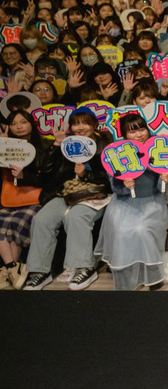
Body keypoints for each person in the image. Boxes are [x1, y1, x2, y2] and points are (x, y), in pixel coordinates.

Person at [22, 110, 110, 291]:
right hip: (66, 194)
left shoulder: (104, 144)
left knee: (76, 217)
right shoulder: (65, 144)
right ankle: (39, 271)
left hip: (95, 194)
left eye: (85, 123)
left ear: (94, 125)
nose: (80, 127)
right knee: (42, 219)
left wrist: (87, 174)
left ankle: (85, 267)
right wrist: (56, 145)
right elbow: (45, 172)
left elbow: (109, 178)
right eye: (76, 123)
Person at [94, 113, 168, 290]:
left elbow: (161, 188)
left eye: (142, 129)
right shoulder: (117, 153)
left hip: (152, 202)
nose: (140, 134)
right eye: (133, 131)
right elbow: (115, 187)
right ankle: (126, 276)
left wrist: (165, 179)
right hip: (124, 203)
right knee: (123, 232)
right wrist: (125, 186)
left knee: (141, 230)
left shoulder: (157, 149)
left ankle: (153, 277)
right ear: (124, 135)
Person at [0, 110, 55, 288]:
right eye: (14, 123)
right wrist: (3, 144)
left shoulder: (45, 146)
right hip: (9, 196)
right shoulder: (5, 146)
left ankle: (8, 270)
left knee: (17, 223)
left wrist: (24, 176)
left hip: (35, 198)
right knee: (2, 222)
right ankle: (12, 268)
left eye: (23, 122)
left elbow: (48, 178)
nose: (19, 126)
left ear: (31, 123)